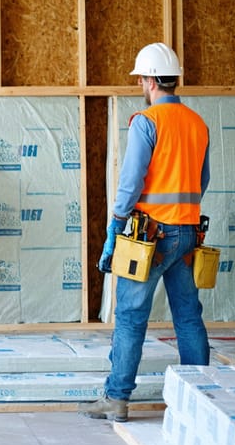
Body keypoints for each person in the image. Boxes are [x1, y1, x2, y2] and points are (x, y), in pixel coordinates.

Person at [80, 42, 211, 422]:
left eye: (140, 78)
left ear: (152, 80)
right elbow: (203, 180)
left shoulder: (146, 122)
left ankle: (117, 399)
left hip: (149, 236)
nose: (139, 83)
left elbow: (130, 182)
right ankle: (200, 399)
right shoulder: (197, 123)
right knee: (188, 316)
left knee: (131, 316)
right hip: (187, 234)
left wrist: (116, 225)